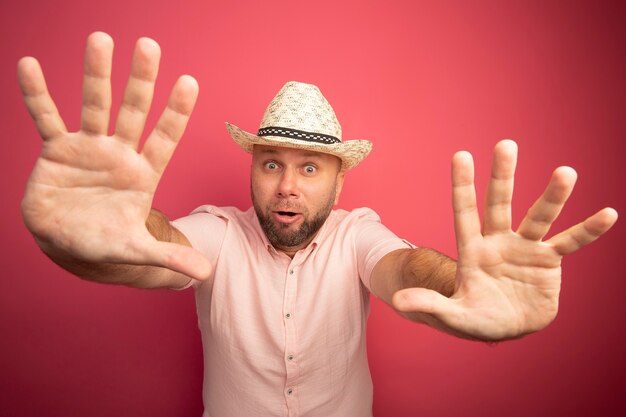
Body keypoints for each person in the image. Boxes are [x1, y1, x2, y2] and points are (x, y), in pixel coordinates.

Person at [17, 32, 618, 417]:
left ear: (339, 181)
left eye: (310, 167)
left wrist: (460, 285)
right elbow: (146, 248)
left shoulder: (358, 233)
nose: (287, 185)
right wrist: (76, 244)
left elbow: (405, 268)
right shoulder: (218, 232)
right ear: (251, 170)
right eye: (271, 163)